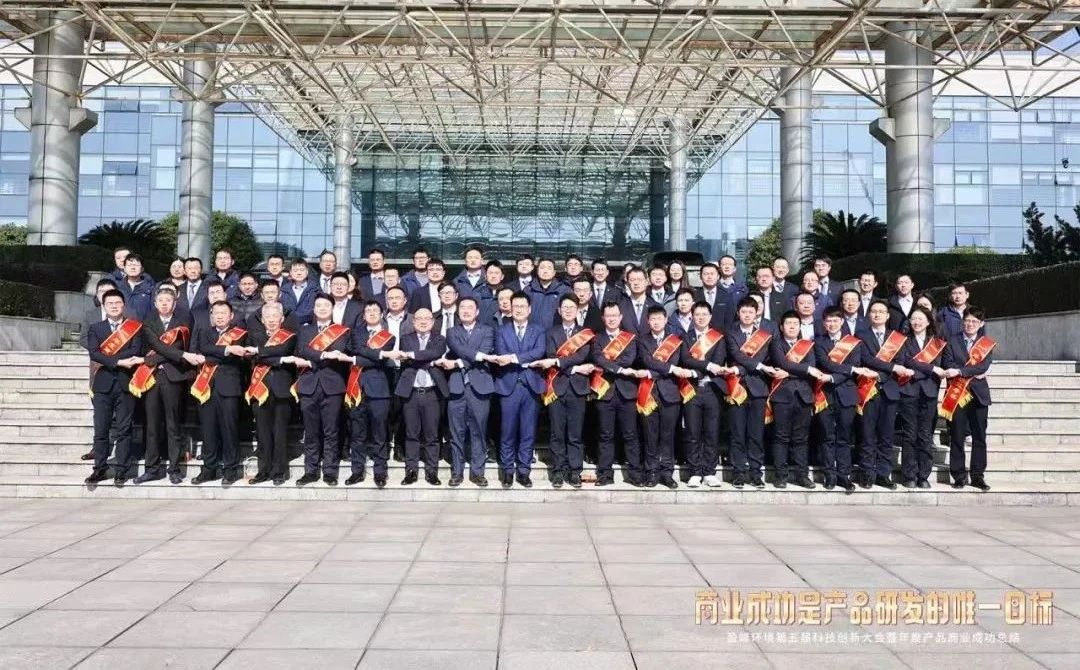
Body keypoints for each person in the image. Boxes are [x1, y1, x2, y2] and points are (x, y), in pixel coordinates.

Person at [133, 288, 197, 485]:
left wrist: (148, 359)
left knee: (173, 424)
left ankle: (174, 469)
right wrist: (180, 356)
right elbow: (156, 344)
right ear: (155, 303)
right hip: (151, 378)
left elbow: (177, 347)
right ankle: (151, 469)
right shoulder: (148, 321)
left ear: (174, 303)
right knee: (152, 425)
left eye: (168, 300)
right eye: (160, 300)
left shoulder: (183, 321)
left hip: (173, 377)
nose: (164, 303)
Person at [533, 295, 595, 489]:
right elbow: (551, 357)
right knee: (557, 432)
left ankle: (575, 471)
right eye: (565, 307)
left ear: (578, 310)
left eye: (572, 307)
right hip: (557, 387)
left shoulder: (585, 334)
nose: (568, 311)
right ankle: (558, 470)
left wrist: (561, 363)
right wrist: (575, 368)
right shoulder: (551, 332)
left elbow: (582, 355)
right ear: (559, 311)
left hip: (577, 389)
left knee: (575, 433)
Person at [84, 289, 145, 486]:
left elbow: (135, 350)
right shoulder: (96, 328)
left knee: (124, 429)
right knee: (101, 429)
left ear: (123, 305)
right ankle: (99, 468)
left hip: (126, 384)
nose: (114, 306)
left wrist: (110, 358)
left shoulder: (134, 327)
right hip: (102, 385)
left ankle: (122, 470)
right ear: (104, 306)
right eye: (110, 303)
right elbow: (95, 353)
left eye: (118, 303)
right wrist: (119, 362)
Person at [294, 294, 352, 486]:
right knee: (311, 432)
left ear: (332, 308)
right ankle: (310, 471)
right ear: (313, 308)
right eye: (318, 305)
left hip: (332, 386)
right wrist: (325, 354)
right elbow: (303, 350)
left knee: (331, 431)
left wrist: (316, 355)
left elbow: (339, 349)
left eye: (326, 305)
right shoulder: (305, 330)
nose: (322, 308)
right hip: (308, 385)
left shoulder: (341, 331)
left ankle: (330, 471)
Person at [856, 299, 915, 490]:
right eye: (874, 311)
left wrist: (884, 372)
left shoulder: (896, 338)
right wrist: (891, 368)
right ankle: (866, 474)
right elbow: (865, 359)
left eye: (881, 311)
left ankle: (883, 474)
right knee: (867, 435)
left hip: (890, 391)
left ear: (888, 316)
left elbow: (900, 361)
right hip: (868, 390)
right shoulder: (861, 335)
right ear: (869, 315)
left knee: (886, 435)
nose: (877, 314)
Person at [438, 296, 495, 487]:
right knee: (456, 433)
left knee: (479, 431)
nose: (466, 310)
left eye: (470, 307)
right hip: (457, 388)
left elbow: (484, 352)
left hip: (480, 388)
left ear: (477, 311)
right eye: (462, 307)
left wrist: (457, 363)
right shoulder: (452, 332)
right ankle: (457, 472)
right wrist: (477, 356)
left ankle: (477, 472)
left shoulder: (487, 330)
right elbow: (462, 350)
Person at [190, 301, 248, 486]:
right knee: (208, 430)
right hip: (206, 387)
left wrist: (218, 353)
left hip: (229, 387)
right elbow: (203, 348)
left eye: (224, 313)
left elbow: (233, 357)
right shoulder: (204, 332)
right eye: (216, 313)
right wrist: (227, 349)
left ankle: (230, 470)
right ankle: (209, 469)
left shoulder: (239, 334)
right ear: (212, 316)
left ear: (231, 316)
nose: (220, 316)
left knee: (229, 429)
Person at [637, 305, 695, 488]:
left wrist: (652, 371)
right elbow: (647, 361)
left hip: (670, 394)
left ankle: (667, 473)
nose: (656, 322)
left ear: (665, 320)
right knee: (650, 435)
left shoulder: (676, 340)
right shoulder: (642, 340)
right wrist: (670, 369)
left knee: (668, 436)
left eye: (659, 318)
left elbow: (675, 360)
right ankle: (651, 472)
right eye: (652, 319)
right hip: (649, 393)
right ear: (648, 321)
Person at [493, 292, 546, 487]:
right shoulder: (501, 330)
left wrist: (514, 358)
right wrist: (524, 358)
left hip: (531, 387)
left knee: (528, 431)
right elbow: (501, 352)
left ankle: (524, 471)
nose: (519, 310)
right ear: (510, 308)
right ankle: (507, 471)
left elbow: (539, 351)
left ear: (529, 309)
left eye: (523, 306)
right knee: (507, 431)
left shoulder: (538, 330)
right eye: (515, 306)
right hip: (509, 386)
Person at [767, 311, 824, 489]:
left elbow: (812, 366)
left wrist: (790, 373)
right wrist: (804, 370)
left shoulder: (807, 345)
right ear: (781, 326)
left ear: (800, 327)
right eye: (788, 323)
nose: (792, 326)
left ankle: (802, 476)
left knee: (801, 438)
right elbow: (782, 363)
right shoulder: (776, 344)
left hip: (804, 396)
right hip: (782, 396)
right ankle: (780, 476)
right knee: (781, 436)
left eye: (795, 324)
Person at [814, 306, 867, 494]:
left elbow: (854, 365)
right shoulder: (818, 342)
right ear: (823, 323)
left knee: (844, 437)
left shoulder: (854, 343)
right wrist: (850, 370)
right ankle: (830, 475)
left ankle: (844, 476)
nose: (832, 324)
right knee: (827, 436)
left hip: (847, 394)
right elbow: (825, 363)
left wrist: (833, 377)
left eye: (835, 320)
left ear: (842, 322)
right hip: (825, 395)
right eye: (828, 320)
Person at [941, 306, 995, 491]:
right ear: (962, 322)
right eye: (967, 321)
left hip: (979, 395)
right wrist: (964, 371)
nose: (970, 324)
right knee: (957, 435)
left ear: (981, 324)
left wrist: (960, 371)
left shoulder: (986, 343)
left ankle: (978, 476)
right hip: (957, 394)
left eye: (974, 321)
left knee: (979, 437)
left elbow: (983, 366)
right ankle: (958, 476)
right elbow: (947, 363)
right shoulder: (952, 340)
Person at [592, 300, 644, 486]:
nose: (611, 319)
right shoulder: (597, 339)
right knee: (605, 435)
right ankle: (605, 474)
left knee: (630, 434)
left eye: (615, 315)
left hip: (627, 393)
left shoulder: (630, 338)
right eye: (608, 316)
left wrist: (609, 365)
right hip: (604, 392)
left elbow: (629, 359)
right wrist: (618, 369)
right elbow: (598, 358)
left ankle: (635, 474)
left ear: (621, 317)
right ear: (603, 318)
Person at [393, 307, 448, 485]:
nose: (423, 321)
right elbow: (425, 357)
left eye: (427, 318)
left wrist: (414, 356)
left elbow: (434, 353)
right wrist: (430, 362)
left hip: (432, 393)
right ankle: (411, 471)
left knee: (432, 435)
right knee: (411, 434)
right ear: (413, 321)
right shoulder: (406, 339)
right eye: (419, 318)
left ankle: (432, 471)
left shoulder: (440, 339)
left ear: (432, 322)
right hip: (411, 393)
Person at [345, 300, 397, 488]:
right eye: (368, 310)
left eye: (375, 310)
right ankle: (357, 471)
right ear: (363, 315)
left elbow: (374, 360)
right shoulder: (355, 333)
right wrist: (379, 354)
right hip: (356, 388)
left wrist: (357, 359)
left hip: (379, 390)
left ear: (381, 314)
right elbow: (358, 349)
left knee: (379, 433)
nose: (372, 313)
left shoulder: (389, 337)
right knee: (357, 433)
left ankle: (380, 472)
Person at [243, 301, 296, 486]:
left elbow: (283, 350)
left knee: (280, 432)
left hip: (281, 389)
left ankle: (279, 471)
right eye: (268, 317)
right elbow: (250, 356)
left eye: (275, 316)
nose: (272, 320)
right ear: (262, 320)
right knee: (262, 432)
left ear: (281, 319)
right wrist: (279, 359)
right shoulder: (254, 336)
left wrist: (261, 353)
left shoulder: (289, 336)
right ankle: (263, 470)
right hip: (260, 389)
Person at [725, 297, 775, 489]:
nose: (747, 315)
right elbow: (736, 355)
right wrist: (758, 367)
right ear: (738, 313)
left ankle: (755, 473)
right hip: (737, 388)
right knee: (737, 433)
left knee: (756, 434)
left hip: (758, 389)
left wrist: (742, 368)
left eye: (750, 312)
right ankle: (738, 473)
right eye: (744, 312)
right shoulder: (731, 333)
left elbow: (761, 357)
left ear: (756, 314)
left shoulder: (764, 336)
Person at [897, 306, 946, 489]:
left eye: (920, 319)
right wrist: (931, 369)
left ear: (927, 322)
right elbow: (906, 361)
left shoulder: (937, 343)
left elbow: (939, 364)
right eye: (913, 319)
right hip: (909, 392)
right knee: (910, 434)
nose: (916, 322)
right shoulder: (903, 341)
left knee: (925, 435)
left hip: (929, 392)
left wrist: (921, 370)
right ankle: (909, 475)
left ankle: (923, 475)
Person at [527, 258, 565, 327]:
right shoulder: (528, 290)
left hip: (555, 332)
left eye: (549, 268)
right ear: (537, 271)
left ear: (554, 272)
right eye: (542, 268)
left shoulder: (563, 290)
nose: (545, 271)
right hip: (533, 332)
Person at [117, 254, 155, 320]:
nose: (133, 268)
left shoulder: (150, 288)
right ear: (124, 268)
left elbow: (154, 311)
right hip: (120, 325)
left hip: (143, 325)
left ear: (142, 269)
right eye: (129, 265)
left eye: (136, 265)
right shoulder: (117, 287)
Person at [281, 258, 317, 325]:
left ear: (307, 272)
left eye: (302, 270)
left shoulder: (315, 289)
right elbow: (283, 310)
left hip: (308, 326)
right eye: (295, 270)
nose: (299, 273)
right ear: (290, 273)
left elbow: (312, 311)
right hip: (288, 326)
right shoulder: (284, 290)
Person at [621, 266, 656, 334]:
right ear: (627, 283)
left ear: (646, 282)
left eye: (639, 279)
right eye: (632, 280)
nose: (636, 283)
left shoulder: (656, 306)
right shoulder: (620, 307)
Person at [694, 263, 730, 329]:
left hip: (721, 334)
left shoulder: (727, 295)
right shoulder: (694, 296)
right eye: (706, 274)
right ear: (700, 277)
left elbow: (730, 320)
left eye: (712, 274)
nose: (709, 277)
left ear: (718, 276)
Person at [474, 260, 505, 325]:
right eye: (490, 273)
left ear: (502, 276)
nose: (493, 276)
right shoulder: (477, 294)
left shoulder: (508, 294)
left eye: (496, 273)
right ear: (485, 276)